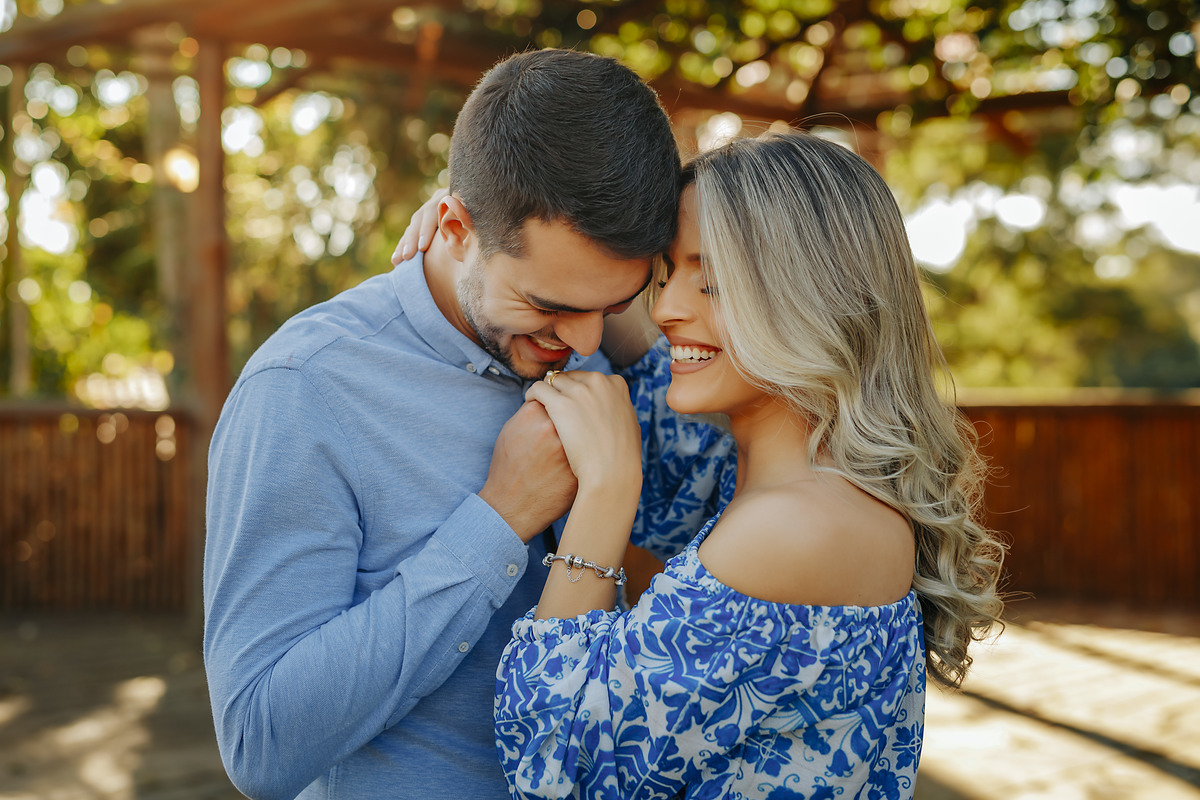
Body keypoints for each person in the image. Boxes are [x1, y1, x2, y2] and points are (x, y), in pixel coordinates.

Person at [202, 49, 734, 800]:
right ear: (452, 225)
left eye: (612, 305)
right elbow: (260, 745)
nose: (582, 345)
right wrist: (497, 519)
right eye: (549, 305)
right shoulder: (307, 388)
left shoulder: (596, 351)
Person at [491, 131, 1007, 798]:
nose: (669, 308)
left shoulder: (797, 529)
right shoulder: (788, 478)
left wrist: (607, 493)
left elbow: (563, 764)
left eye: (715, 281)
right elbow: (632, 341)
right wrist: (488, 237)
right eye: (667, 273)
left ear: (816, 297)